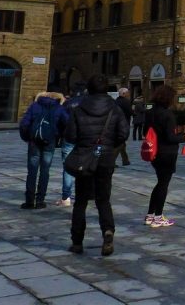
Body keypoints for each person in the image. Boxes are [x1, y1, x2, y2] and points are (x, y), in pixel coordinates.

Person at [65, 74, 128, 256]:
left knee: (81, 201)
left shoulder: (78, 109)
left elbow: (70, 136)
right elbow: (123, 133)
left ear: (89, 89)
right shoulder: (115, 109)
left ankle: (77, 242)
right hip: (105, 157)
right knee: (103, 199)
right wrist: (108, 145)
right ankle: (108, 231)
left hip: (85, 157)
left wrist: (85, 143)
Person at [144, 85, 185, 228]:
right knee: (163, 185)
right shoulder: (168, 115)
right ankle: (158, 217)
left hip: (154, 153)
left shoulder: (150, 112)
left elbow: (146, 131)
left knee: (159, 183)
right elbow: (171, 137)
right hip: (167, 153)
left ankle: (150, 215)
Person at [19, 91, 68, 209]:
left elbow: (24, 123)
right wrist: (59, 136)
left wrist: (27, 137)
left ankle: (29, 201)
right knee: (45, 171)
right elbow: (67, 123)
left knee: (32, 171)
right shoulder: (59, 108)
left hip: (34, 141)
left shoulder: (35, 106)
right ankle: (40, 200)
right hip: (49, 141)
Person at [56, 93, 81, 207]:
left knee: (67, 168)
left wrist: (61, 135)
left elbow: (60, 121)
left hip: (69, 137)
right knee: (85, 166)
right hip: (84, 139)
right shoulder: (89, 102)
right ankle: (83, 195)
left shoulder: (67, 103)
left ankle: (66, 197)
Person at [114, 88, 133, 166]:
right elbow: (130, 112)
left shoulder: (115, 101)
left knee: (122, 142)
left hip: (115, 124)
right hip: (124, 125)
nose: (129, 94)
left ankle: (125, 160)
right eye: (127, 93)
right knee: (121, 142)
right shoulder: (126, 102)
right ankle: (112, 161)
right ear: (124, 94)